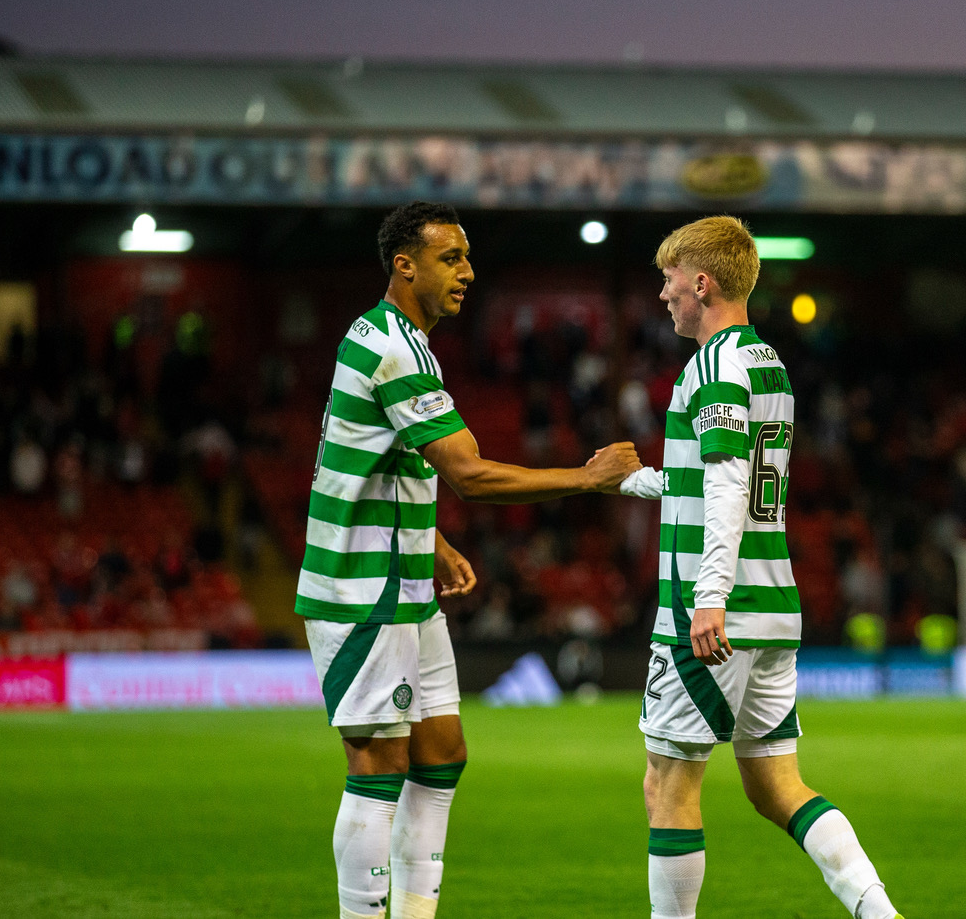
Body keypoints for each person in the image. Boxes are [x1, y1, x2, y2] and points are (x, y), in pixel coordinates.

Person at [297, 201, 640, 919]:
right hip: (362, 590)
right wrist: (587, 477)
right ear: (404, 263)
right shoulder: (395, 349)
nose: (468, 272)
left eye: (468, 257)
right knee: (377, 762)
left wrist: (432, 538)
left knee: (443, 751)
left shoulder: (392, 338)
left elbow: (369, 459)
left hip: (399, 576)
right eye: (451, 257)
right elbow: (469, 474)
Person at [618, 216, 904, 919]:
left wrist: (708, 596)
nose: (664, 295)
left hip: (713, 610)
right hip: (773, 605)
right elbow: (733, 477)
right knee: (777, 787)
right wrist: (634, 480)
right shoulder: (767, 361)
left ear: (703, 282)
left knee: (669, 783)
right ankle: (879, 910)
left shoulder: (712, 365)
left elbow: (723, 487)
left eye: (670, 280)